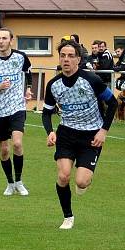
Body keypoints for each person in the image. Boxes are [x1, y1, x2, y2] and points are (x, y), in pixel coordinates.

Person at [42, 39, 118, 229]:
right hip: (66, 134)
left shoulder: (91, 80)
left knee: (81, 182)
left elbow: (113, 103)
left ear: (78, 59)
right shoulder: (53, 84)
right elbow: (46, 112)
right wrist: (50, 131)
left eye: (70, 56)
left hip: (91, 136)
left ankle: (84, 182)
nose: (66, 59)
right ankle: (68, 216)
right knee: (63, 176)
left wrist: (103, 131)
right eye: (63, 56)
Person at [0, 28, 33, 196]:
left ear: (11, 40)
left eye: (4, 38)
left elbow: (28, 73)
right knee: (4, 150)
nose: (1, 41)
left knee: (17, 144)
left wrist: (28, 89)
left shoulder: (20, 57)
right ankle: (10, 183)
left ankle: (19, 181)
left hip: (17, 107)